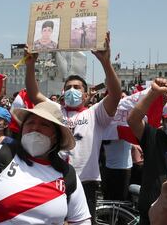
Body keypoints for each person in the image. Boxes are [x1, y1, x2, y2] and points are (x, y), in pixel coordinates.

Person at [25, 32, 121, 223]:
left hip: (86, 183)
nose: (72, 91)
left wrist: (106, 62)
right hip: (54, 179)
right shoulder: (56, 110)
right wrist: (30, 65)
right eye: (68, 87)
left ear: (86, 95)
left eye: (77, 88)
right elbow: (34, 93)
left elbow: (115, 94)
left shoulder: (95, 113)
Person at [127, 78, 167, 225]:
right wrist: (153, 92)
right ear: (163, 120)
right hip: (150, 217)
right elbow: (133, 120)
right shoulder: (153, 137)